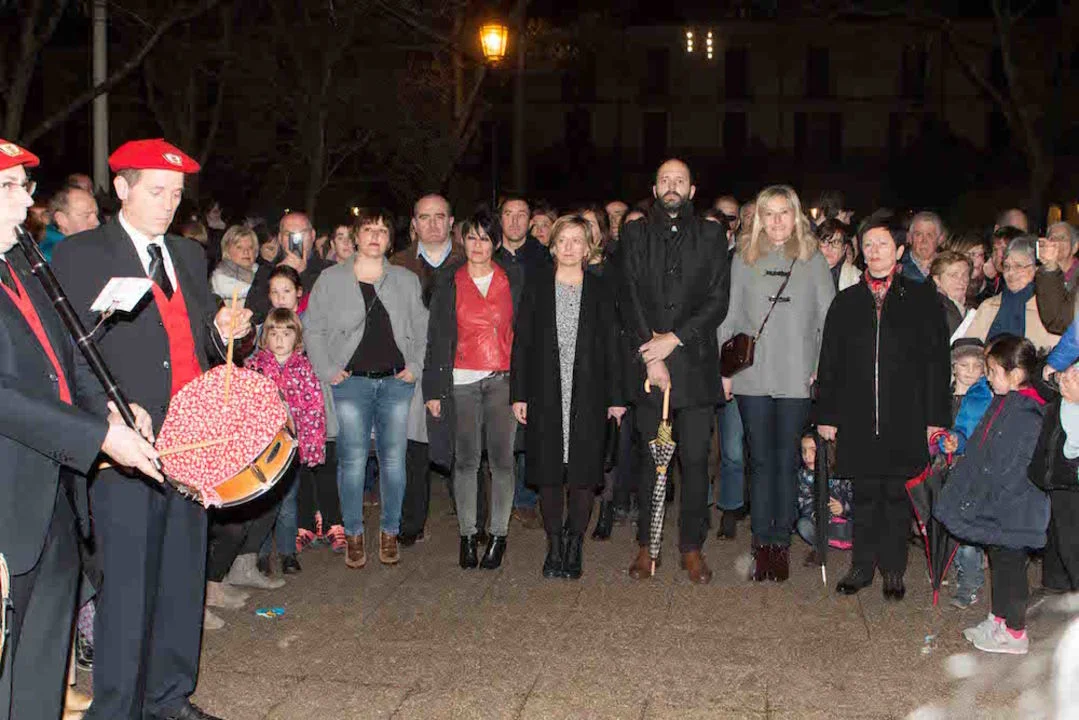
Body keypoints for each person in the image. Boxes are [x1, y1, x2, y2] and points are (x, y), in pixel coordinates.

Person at [50, 138, 253, 720]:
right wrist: (105, 417)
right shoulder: (83, 254)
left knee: (182, 575)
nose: (169, 204)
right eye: (157, 191)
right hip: (126, 441)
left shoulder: (187, 254)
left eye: (176, 194)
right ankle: (118, 708)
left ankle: (169, 697)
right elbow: (70, 352)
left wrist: (228, 331)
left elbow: (200, 339)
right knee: (128, 583)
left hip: (193, 441)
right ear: (121, 188)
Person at [0, 140, 160, 720]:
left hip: (55, 497)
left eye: (24, 187)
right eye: (9, 188)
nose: (27, 203)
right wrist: (98, 438)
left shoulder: (21, 265)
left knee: (40, 669)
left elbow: (62, 359)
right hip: (8, 503)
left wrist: (110, 410)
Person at [816, 210, 952, 601]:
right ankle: (861, 566)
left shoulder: (922, 298)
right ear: (860, 251)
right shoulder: (846, 302)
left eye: (883, 244)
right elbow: (830, 361)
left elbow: (937, 361)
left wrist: (935, 417)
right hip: (857, 415)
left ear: (899, 250)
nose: (875, 251)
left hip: (904, 415)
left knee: (895, 495)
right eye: (869, 245)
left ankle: (893, 569)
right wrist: (826, 414)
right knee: (864, 493)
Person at [614, 158, 729, 584]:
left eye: (680, 180)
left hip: (695, 367)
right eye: (665, 179)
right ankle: (648, 544)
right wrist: (652, 354)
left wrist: (674, 339)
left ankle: (692, 547)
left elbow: (718, 301)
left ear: (692, 190)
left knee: (696, 462)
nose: (672, 186)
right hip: (649, 366)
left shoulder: (712, 236)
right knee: (651, 460)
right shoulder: (635, 234)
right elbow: (628, 298)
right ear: (654, 188)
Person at [719, 185, 835, 582]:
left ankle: (780, 544)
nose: (777, 220)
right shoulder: (743, 257)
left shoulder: (812, 258)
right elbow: (729, 316)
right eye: (769, 213)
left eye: (784, 212)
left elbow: (828, 319)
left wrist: (821, 368)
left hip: (796, 374)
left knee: (786, 460)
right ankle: (761, 541)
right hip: (752, 374)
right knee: (759, 459)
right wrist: (724, 371)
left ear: (796, 215)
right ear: (760, 219)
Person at [304, 208, 426, 569]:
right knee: (352, 462)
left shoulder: (405, 280)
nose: (375, 236)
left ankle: (390, 532)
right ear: (355, 236)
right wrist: (327, 369)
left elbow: (423, 327)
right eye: (369, 229)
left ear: (390, 240)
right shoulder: (330, 279)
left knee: (394, 462)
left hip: (395, 382)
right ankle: (354, 534)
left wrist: (415, 366)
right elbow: (313, 328)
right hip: (351, 383)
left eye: (383, 231)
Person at [510, 215, 625, 580]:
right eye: (563, 240)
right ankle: (554, 544)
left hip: (589, 391)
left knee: (582, 472)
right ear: (553, 246)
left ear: (588, 246)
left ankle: (575, 543)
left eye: (577, 240)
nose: (570, 247)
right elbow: (522, 342)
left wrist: (616, 397)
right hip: (545, 390)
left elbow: (613, 346)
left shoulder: (601, 289)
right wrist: (519, 393)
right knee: (548, 472)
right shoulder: (537, 285)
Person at [424, 210, 524, 570]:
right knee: (465, 461)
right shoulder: (448, 281)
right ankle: (467, 535)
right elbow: (436, 338)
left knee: (502, 462)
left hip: (503, 380)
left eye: (485, 238)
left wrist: (524, 390)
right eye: (472, 237)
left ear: (495, 243)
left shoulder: (513, 279)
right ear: (462, 241)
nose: (478, 245)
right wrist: (433, 390)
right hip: (461, 381)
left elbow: (525, 336)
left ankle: (498, 535)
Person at [936, 336, 1047, 655]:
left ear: (1016, 374)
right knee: (1000, 564)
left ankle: (1015, 633)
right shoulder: (1005, 399)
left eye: (993, 371)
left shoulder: (1028, 412)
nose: (987, 377)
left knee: (1011, 569)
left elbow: (1014, 465)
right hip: (1000, 504)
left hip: (1015, 507)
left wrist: (987, 487)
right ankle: (998, 618)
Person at [390, 194, 465, 546]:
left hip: (458, 365)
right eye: (424, 217)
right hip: (411, 364)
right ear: (414, 224)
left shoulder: (470, 258)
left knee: (462, 445)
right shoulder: (397, 264)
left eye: (440, 216)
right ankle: (411, 522)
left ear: (451, 222)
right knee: (412, 447)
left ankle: (470, 523)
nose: (433, 224)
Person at [245, 309, 326, 574]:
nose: (280, 340)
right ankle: (260, 554)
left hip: (291, 450)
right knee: (262, 504)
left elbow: (314, 410)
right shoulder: (254, 367)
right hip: (262, 449)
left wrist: (312, 447)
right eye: (274, 333)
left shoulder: (304, 368)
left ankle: (288, 552)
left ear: (297, 338)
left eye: (287, 333)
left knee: (288, 504)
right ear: (264, 337)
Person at [934, 338, 993, 609]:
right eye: (964, 365)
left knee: (967, 531)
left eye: (976, 366)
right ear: (953, 366)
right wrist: (939, 441)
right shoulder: (941, 394)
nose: (970, 371)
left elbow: (978, 434)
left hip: (971, 470)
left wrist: (957, 442)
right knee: (947, 524)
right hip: (941, 467)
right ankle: (955, 567)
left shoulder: (985, 398)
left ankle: (969, 583)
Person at [1030, 361, 1079, 595]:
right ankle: (1061, 586)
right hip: (1059, 480)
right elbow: (1039, 377)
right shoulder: (1059, 399)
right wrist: (1055, 372)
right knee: (1064, 541)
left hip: (1073, 481)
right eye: (1064, 377)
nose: (1066, 381)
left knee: (1073, 544)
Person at [965, 236, 1060, 351]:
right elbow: (968, 349)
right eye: (1006, 266)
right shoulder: (989, 306)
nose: (1010, 273)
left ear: (1036, 268)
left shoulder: (1047, 309)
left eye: (1018, 266)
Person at [247, 211, 329, 323]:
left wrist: (302, 274)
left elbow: (327, 309)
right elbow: (254, 314)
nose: (295, 241)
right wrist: (279, 276)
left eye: (301, 233)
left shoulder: (329, 270)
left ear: (312, 235)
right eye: (288, 234)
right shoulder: (267, 270)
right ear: (280, 238)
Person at [795, 431, 852, 564]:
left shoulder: (841, 472)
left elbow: (855, 498)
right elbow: (803, 502)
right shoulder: (803, 476)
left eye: (813, 450)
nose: (807, 456)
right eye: (803, 451)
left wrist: (843, 508)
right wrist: (816, 513)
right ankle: (824, 543)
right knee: (803, 525)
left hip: (846, 521)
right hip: (823, 524)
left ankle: (843, 539)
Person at [1033, 221, 1079, 335]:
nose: (1057, 242)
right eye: (1052, 238)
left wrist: (1051, 268)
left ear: (1075, 247)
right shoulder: (1039, 276)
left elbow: (1060, 322)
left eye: (1062, 238)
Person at [42, 185, 99, 260]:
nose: (97, 223)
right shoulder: (54, 257)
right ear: (61, 219)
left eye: (96, 214)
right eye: (87, 216)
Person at [929, 250, 972, 337]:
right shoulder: (935, 311)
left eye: (965, 275)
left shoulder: (972, 307)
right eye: (954, 275)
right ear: (937, 280)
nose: (961, 281)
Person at [210, 224, 258, 300]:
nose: (246, 252)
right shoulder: (221, 279)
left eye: (250, 247)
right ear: (227, 251)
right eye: (239, 247)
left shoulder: (262, 271)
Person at [947, 233, 992, 308]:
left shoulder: (988, 287)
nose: (980, 261)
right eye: (972, 254)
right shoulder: (945, 287)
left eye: (982, 255)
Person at [900, 211, 946, 283]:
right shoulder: (897, 268)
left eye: (929, 235)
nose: (924, 241)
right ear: (909, 238)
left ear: (940, 239)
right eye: (918, 234)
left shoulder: (948, 267)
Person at [815, 217, 859, 292]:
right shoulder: (805, 272)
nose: (829, 248)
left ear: (844, 248)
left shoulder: (855, 278)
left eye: (836, 242)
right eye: (824, 242)